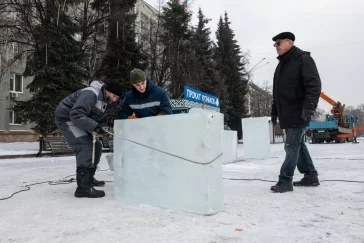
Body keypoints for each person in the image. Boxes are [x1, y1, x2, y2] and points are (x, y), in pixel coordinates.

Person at [270, 32, 322, 193]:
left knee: (291, 145)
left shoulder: (302, 59)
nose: (276, 47)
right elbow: (277, 92)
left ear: (289, 43)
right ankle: (310, 176)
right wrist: (274, 112)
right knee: (298, 144)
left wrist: (309, 108)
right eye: (275, 44)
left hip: (299, 111)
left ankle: (285, 180)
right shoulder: (282, 64)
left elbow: (314, 85)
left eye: (278, 43)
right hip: (287, 112)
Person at [55, 80, 123, 198]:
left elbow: (97, 117)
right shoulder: (91, 94)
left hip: (78, 120)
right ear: (107, 91)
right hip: (67, 118)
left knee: (97, 146)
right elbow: (76, 114)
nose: (114, 99)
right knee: (85, 146)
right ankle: (83, 188)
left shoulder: (106, 101)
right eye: (114, 96)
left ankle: (89, 179)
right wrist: (95, 127)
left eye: (117, 97)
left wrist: (101, 129)